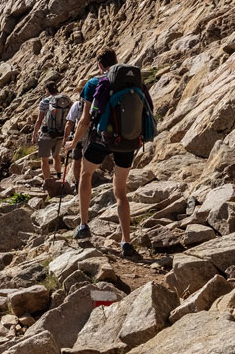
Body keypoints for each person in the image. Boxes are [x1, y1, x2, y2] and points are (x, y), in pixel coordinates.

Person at [68, 49, 153, 258]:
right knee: (120, 191)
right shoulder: (134, 82)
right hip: (128, 141)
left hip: (100, 140)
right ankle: (126, 242)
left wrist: (73, 142)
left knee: (85, 175)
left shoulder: (93, 83)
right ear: (116, 63)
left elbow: (85, 119)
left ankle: (83, 224)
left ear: (99, 65)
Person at [32, 81, 69, 182]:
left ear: (47, 90)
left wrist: (34, 134)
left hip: (48, 133)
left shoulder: (45, 101)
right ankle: (59, 177)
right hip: (61, 133)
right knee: (56, 156)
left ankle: (48, 182)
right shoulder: (65, 99)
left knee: (44, 159)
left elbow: (39, 120)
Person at [63, 90, 86, 189]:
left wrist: (65, 138)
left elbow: (69, 123)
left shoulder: (77, 104)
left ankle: (78, 184)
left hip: (78, 136)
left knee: (76, 160)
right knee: (88, 160)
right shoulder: (97, 102)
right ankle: (87, 181)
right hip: (93, 137)